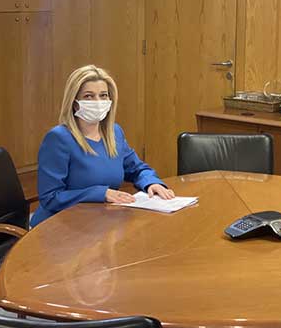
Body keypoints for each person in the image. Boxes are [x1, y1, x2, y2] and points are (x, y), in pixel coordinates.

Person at [30, 65, 175, 227]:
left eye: (103, 95)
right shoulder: (58, 138)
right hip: (59, 226)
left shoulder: (114, 132)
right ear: (74, 102)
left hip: (100, 220)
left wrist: (152, 183)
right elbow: (50, 197)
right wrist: (100, 193)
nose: (98, 102)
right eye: (89, 96)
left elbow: (137, 169)